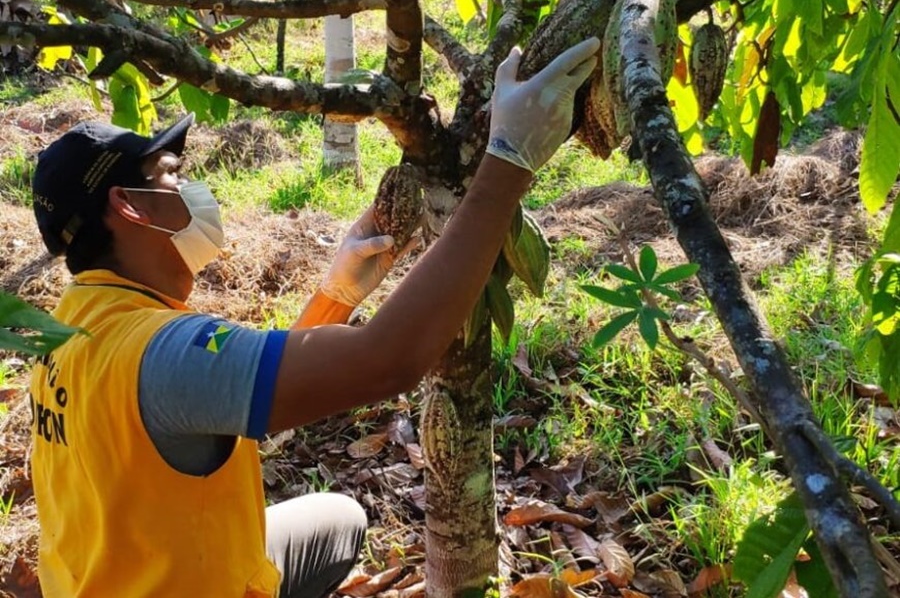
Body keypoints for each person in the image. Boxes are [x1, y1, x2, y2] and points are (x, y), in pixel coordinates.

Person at [28, 37, 600, 597]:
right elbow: (389, 361)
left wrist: (336, 292)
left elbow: (246, 396)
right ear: (129, 205)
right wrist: (507, 163)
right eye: (171, 173)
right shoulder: (165, 353)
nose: (191, 188)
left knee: (338, 519)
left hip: (116, 575)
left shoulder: (69, 329)